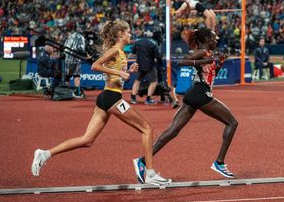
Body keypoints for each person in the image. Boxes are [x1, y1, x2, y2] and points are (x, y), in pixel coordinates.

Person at [31, 20, 170, 186]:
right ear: (120, 35)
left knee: (87, 140)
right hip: (112, 98)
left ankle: (44, 154)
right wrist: (119, 71)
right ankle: (149, 172)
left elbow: (115, 77)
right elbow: (95, 66)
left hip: (107, 97)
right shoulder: (115, 50)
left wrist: (127, 71)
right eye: (128, 32)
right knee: (147, 128)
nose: (130, 35)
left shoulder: (121, 52)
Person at [133, 28, 238, 181]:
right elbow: (182, 61)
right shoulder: (202, 52)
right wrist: (202, 61)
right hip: (200, 94)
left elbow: (208, 73)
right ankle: (219, 163)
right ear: (208, 40)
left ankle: (142, 161)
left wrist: (220, 63)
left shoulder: (208, 54)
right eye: (215, 38)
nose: (217, 40)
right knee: (232, 123)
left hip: (194, 95)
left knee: (172, 131)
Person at [130, 29, 162, 105]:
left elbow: (133, 51)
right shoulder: (154, 43)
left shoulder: (137, 42)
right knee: (154, 82)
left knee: (137, 81)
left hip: (139, 64)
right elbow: (157, 55)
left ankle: (133, 99)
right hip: (150, 65)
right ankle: (148, 99)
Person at [63, 25, 89, 98]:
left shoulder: (70, 36)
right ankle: (77, 92)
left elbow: (64, 46)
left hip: (66, 58)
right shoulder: (81, 37)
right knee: (76, 75)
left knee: (67, 76)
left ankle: (66, 92)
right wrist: (86, 55)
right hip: (75, 59)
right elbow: (80, 48)